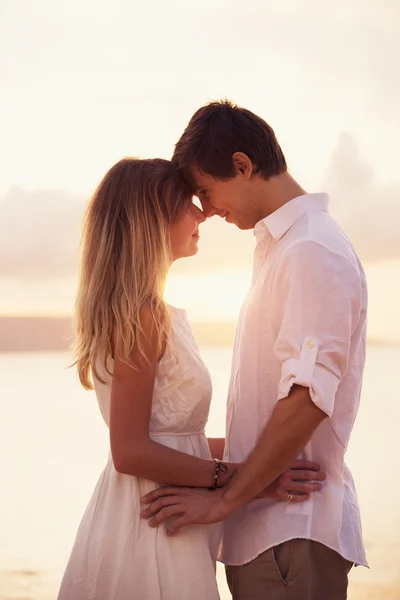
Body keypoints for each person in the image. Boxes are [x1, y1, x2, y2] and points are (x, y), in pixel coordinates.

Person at [57, 157, 323, 600]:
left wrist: (265, 463)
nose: (201, 214)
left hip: (165, 508)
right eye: (187, 204)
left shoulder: (148, 312)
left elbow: (179, 440)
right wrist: (245, 479)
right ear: (150, 220)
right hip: (152, 522)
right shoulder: (142, 316)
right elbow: (130, 452)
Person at [142, 101, 368, 600]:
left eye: (206, 189)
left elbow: (308, 397)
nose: (206, 209)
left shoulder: (311, 250)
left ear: (242, 166)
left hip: (290, 530)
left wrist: (222, 503)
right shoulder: (282, 249)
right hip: (267, 532)